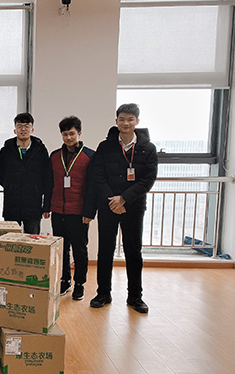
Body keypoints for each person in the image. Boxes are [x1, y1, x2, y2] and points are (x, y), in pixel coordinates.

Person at [88, 103, 158, 313]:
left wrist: (124, 199)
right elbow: (97, 176)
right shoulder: (105, 146)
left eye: (130, 119)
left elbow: (148, 179)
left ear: (137, 121)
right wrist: (114, 200)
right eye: (122, 119)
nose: (126, 123)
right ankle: (103, 293)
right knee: (105, 251)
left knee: (133, 252)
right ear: (116, 121)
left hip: (134, 207)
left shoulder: (148, 148)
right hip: (108, 206)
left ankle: (135, 297)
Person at [45, 116, 95, 301]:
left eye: (72, 134)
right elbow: (49, 183)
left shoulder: (90, 156)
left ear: (79, 134)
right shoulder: (55, 156)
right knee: (61, 249)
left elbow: (92, 187)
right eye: (65, 134)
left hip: (79, 212)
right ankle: (65, 280)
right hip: (58, 210)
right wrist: (47, 206)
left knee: (79, 250)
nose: (68, 137)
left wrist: (89, 212)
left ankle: (79, 283)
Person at [0, 112, 51, 235]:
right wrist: (10, 186)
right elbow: (0, 173)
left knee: (32, 242)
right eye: (19, 126)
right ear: (14, 130)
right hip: (12, 203)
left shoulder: (40, 150)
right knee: (10, 241)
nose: (23, 129)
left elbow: (47, 177)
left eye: (27, 126)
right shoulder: (6, 150)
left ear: (32, 129)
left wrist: (46, 204)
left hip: (33, 205)